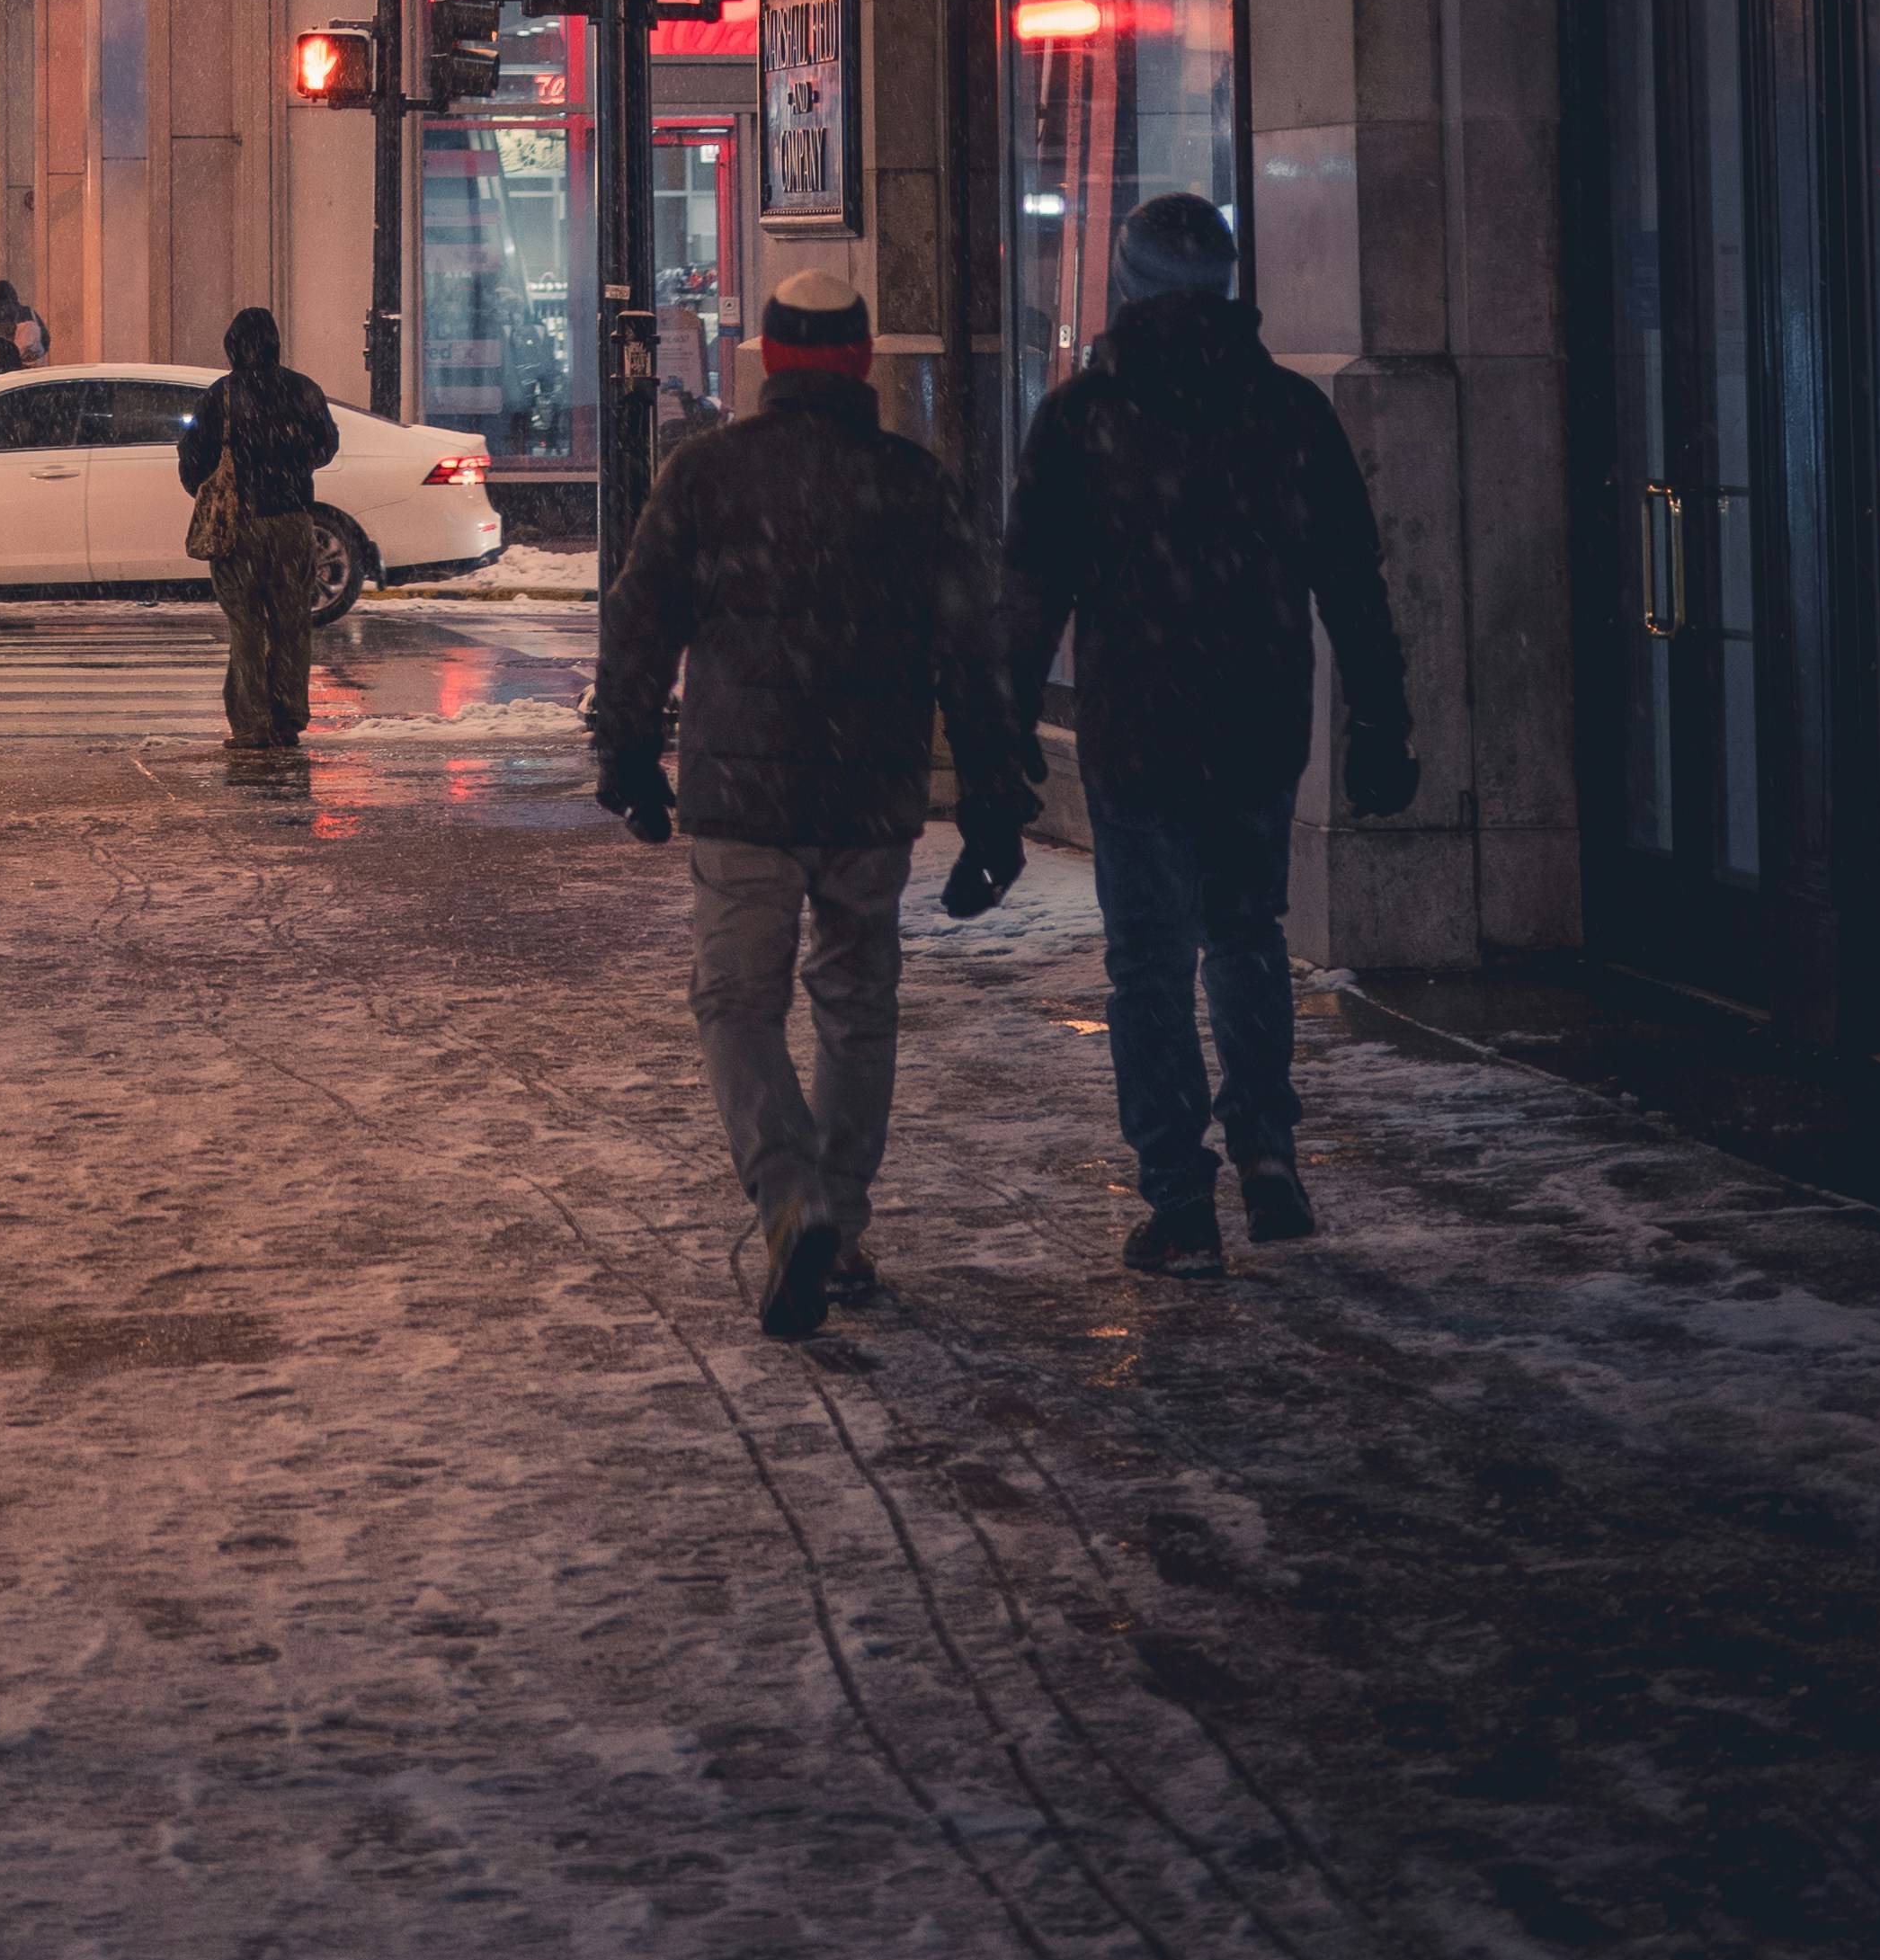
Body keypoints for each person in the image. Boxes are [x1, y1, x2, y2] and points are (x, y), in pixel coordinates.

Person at [592, 289, 1035, 1338]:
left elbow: (641, 616)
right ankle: (836, 1216)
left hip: (742, 794)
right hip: (867, 792)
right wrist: (992, 802)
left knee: (736, 1002)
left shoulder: (706, 473)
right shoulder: (913, 483)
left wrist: (626, 750)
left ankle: (791, 1198)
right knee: (855, 1004)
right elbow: (973, 653)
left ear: (769, 358)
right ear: (863, 357)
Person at [1005, 183, 1419, 1277]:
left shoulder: (1083, 418)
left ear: (1126, 285)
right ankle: (1268, 1150)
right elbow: (1353, 583)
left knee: (1147, 964)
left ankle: (1180, 1198)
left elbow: (1031, 592)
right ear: (1229, 284)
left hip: (1135, 725)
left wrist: (1006, 726)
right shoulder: (1285, 411)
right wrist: (1379, 717)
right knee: (1245, 934)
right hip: (1253, 719)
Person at [174, 301, 338, 761]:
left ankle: (251, 724)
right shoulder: (303, 390)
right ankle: (288, 717)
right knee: (291, 625)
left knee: (245, 626)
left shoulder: (221, 396)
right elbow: (326, 446)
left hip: (240, 524)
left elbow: (193, 458)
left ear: (232, 346)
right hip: (292, 521)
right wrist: (291, 466)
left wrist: (216, 488)